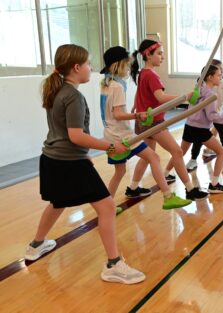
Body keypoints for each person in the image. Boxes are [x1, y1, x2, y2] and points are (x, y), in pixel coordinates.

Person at [25, 44, 145, 284]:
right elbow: (76, 136)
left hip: (53, 159)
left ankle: (35, 245)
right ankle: (113, 264)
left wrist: (83, 153)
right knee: (108, 207)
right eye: (89, 63)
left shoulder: (57, 90)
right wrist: (111, 147)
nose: (92, 68)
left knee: (58, 202)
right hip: (69, 163)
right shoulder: (73, 96)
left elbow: (63, 133)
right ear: (77, 68)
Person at [100, 46, 191, 209]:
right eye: (127, 64)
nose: (129, 68)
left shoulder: (107, 84)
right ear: (120, 64)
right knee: (154, 157)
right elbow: (118, 114)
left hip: (110, 134)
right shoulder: (117, 87)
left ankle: (106, 207)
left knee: (120, 172)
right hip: (121, 135)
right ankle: (168, 196)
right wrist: (138, 114)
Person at [129, 39, 207, 201]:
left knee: (148, 156)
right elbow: (161, 97)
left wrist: (136, 106)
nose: (162, 57)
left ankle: (133, 187)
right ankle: (190, 189)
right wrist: (185, 97)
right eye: (159, 53)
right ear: (148, 56)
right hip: (153, 122)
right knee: (177, 151)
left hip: (144, 122)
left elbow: (141, 94)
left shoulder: (143, 72)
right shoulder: (151, 75)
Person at [168, 64, 223, 193]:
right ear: (210, 77)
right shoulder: (210, 95)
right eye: (218, 75)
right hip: (200, 129)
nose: (220, 78)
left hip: (189, 125)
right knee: (222, 152)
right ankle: (214, 184)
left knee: (180, 153)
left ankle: (166, 173)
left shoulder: (198, 89)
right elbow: (212, 116)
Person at [186, 59, 223, 175]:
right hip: (204, 116)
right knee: (200, 137)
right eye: (219, 70)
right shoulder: (201, 83)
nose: (222, 72)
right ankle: (193, 159)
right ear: (210, 75)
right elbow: (195, 100)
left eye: (222, 70)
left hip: (218, 114)